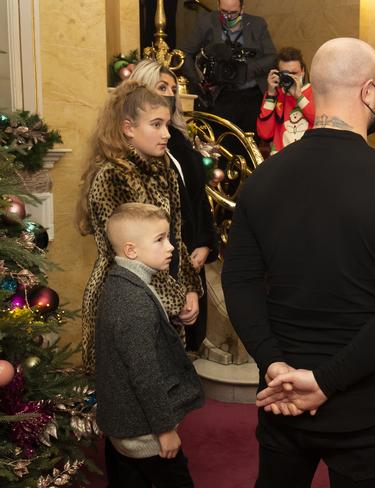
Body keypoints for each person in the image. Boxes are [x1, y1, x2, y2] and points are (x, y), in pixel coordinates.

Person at [221, 37, 375, 488]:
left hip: (283, 397)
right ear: (369, 92)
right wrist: (324, 381)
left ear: (312, 93)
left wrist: (274, 365)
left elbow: (238, 282)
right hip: (366, 409)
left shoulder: (264, 178)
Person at [77, 81, 202, 372]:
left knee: (164, 396)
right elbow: (126, 260)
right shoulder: (113, 176)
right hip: (126, 302)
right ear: (128, 128)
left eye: (168, 125)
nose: (166, 134)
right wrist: (177, 298)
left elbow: (176, 238)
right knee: (132, 399)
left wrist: (190, 289)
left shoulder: (165, 171)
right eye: (156, 125)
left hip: (163, 300)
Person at [96, 203, 204, 487]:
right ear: (131, 251)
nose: (170, 247)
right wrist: (165, 430)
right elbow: (144, 375)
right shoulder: (132, 302)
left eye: (168, 237)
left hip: (127, 426)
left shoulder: (123, 282)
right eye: (160, 240)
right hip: (144, 433)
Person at [129, 59, 220, 352]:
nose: (169, 94)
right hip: (160, 262)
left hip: (190, 253)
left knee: (183, 350)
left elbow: (197, 197)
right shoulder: (137, 150)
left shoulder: (177, 136)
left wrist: (206, 243)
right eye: (161, 87)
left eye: (172, 88)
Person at [179, 0, 276, 133]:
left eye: (233, 13)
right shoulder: (206, 22)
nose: (228, 17)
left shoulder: (257, 24)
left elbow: (272, 57)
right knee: (221, 144)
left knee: (249, 143)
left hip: (252, 96)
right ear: (218, 6)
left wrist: (246, 70)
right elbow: (184, 52)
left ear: (242, 8)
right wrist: (198, 82)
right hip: (220, 96)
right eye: (224, 12)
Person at [257, 47, 315, 154]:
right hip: (281, 159)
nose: (290, 77)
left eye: (294, 73)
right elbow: (265, 134)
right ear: (277, 74)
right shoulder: (274, 95)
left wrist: (299, 96)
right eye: (285, 74)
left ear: (302, 71)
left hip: (308, 156)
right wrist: (270, 95)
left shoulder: (313, 92)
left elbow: (319, 123)